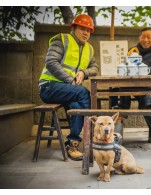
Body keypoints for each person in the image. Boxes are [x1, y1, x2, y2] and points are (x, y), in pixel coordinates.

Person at [38, 14, 99, 161]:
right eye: (82, 29)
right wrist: (70, 80)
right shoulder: (62, 39)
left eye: (89, 30)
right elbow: (51, 62)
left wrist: (84, 72)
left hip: (66, 90)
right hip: (49, 87)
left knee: (76, 105)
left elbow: (95, 68)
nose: (86, 33)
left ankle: (72, 144)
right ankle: (93, 135)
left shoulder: (89, 49)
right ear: (74, 28)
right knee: (84, 93)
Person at [118, 27, 151, 143]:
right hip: (133, 85)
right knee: (118, 90)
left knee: (147, 101)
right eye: (143, 37)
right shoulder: (133, 50)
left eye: (148, 37)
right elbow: (127, 66)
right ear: (139, 38)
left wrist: (142, 69)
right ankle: (122, 112)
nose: (145, 40)